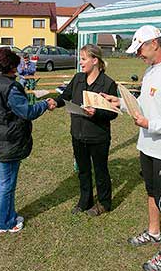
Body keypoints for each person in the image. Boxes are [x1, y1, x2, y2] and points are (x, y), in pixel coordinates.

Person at [101, 25, 161, 270]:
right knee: (150, 192)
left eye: (140, 48)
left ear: (154, 44)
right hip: (147, 145)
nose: (138, 54)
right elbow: (142, 106)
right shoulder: (150, 71)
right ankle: (153, 232)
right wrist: (120, 103)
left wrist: (150, 123)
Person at [0, 47, 56, 233]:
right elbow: (27, 112)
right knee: (7, 184)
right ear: (10, 66)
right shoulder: (10, 87)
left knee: (5, 182)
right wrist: (45, 104)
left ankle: (10, 216)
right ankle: (2, 223)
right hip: (8, 142)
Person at [54, 44, 118, 216]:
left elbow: (113, 113)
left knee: (100, 171)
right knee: (83, 170)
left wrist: (96, 113)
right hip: (78, 134)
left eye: (83, 59)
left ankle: (104, 203)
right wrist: (55, 102)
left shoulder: (108, 84)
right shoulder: (78, 79)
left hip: (98, 136)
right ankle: (85, 200)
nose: (80, 63)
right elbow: (65, 96)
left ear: (95, 60)